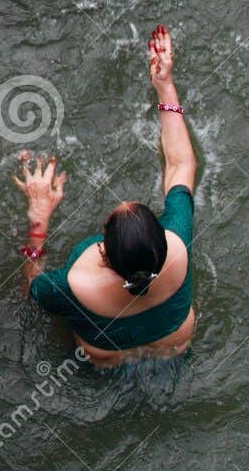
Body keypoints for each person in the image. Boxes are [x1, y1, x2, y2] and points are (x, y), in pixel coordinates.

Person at [17, 25, 197, 366]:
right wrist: (166, 86)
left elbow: (31, 291)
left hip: (104, 359)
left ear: (104, 253)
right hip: (175, 345)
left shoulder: (75, 284)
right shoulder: (179, 243)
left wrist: (38, 220)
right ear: (162, 237)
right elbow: (181, 164)